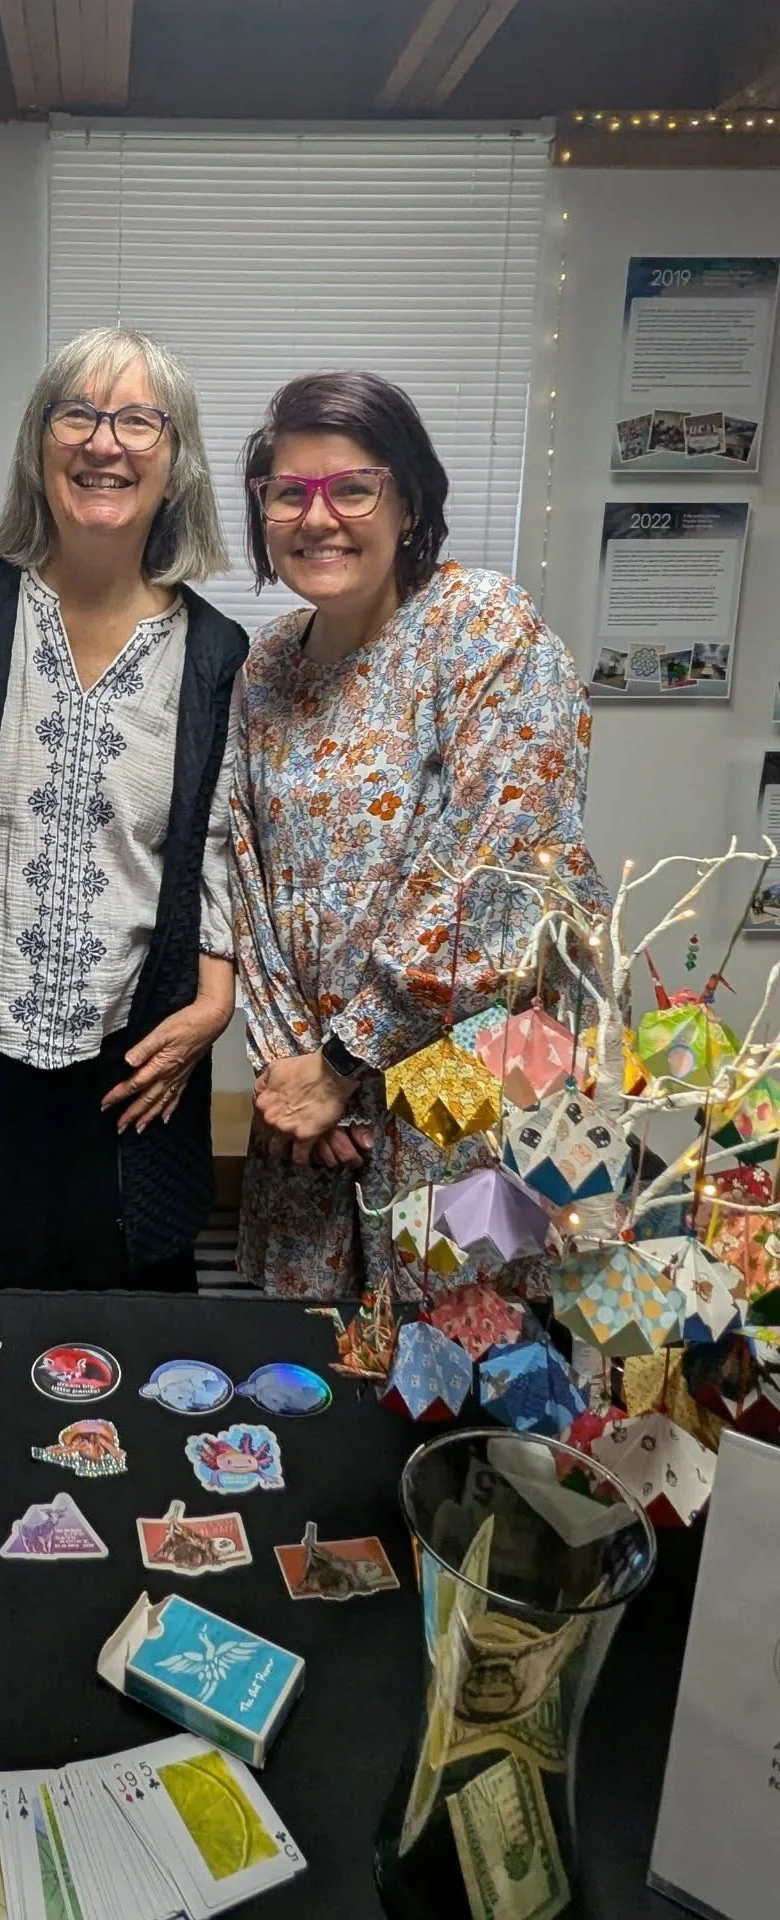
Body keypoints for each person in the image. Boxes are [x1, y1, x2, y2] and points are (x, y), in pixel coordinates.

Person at [0, 327, 248, 1290]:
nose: (103, 443)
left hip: (134, 1088)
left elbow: (218, 854)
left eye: (138, 421)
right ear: (39, 446)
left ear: (176, 462)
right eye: (75, 414)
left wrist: (215, 999)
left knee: (128, 1381)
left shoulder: (217, 658)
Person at [230, 370, 606, 1299]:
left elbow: (504, 877)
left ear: (408, 501)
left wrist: (348, 1062)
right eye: (291, 492)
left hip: (470, 1094)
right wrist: (293, 1070)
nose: (320, 518)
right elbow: (242, 875)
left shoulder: (484, 630)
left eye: (352, 488)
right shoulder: (266, 668)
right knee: (314, 1393)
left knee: (474, 1381)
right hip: (315, 1118)